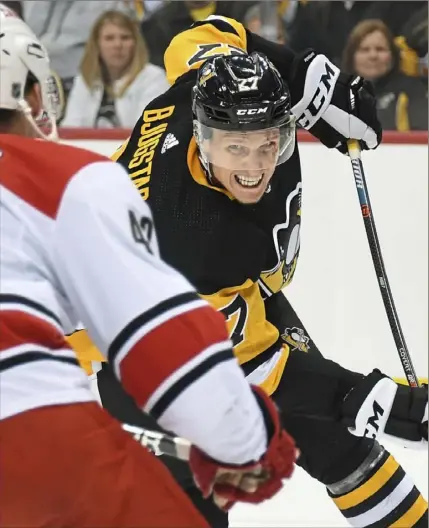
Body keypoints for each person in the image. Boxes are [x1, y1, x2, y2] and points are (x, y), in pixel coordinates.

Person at [71, 14, 429, 528]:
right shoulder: (190, 240)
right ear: (202, 136)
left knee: (338, 445)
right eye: (235, 147)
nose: (256, 165)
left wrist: (307, 78)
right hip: (132, 341)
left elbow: (207, 32)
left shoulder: (204, 82)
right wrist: (368, 398)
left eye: (269, 144)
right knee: (196, 498)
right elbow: (258, 366)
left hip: (232, 297)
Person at [0, 7, 299, 527]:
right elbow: (163, 341)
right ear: (30, 92)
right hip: (41, 464)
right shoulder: (72, 184)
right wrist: (247, 439)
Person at [61, 10, 169, 129]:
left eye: (125, 38)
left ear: (135, 43)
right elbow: (70, 127)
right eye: (109, 38)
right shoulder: (86, 79)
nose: (117, 45)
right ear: (97, 44)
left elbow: (148, 130)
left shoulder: (153, 78)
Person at [342, 19, 427, 131]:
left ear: (392, 56)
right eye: (364, 50)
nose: (373, 56)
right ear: (351, 57)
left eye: (380, 49)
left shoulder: (413, 91)